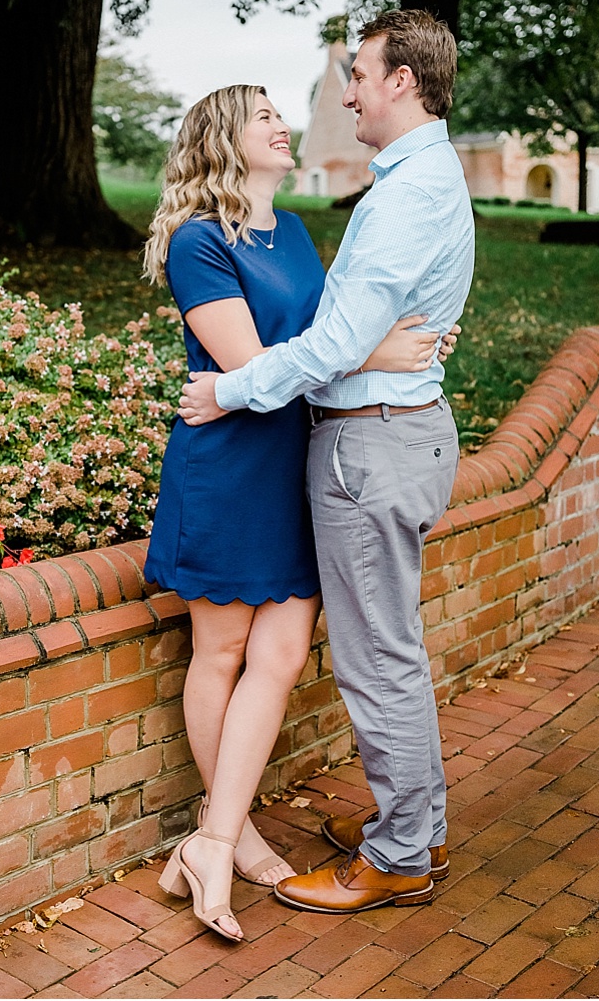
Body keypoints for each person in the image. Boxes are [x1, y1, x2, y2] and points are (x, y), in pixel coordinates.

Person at [143, 82, 458, 941]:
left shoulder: (294, 233)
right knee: (222, 649)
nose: (285, 126)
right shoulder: (197, 241)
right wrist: (378, 347)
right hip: (228, 466)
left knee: (279, 655)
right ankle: (231, 834)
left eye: (282, 113)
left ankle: (212, 835)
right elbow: (248, 365)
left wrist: (375, 342)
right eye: (265, 117)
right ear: (222, 141)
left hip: (298, 461)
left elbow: (326, 338)